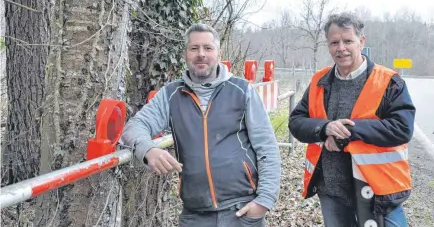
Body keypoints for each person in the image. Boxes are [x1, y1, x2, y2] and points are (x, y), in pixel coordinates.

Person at [120, 23, 281, 227]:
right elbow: (134, 126)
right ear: (186, 53)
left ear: (218, 53)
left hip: (241, 210)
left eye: (208, 48)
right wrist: (147, 149)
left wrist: (264, 201)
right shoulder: (171, 95)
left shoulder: (242, 91)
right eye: (194, 48)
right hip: (194, 215)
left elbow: (266, 147)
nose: (201, 54)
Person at [288, 12, 415, 227]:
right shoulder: (319, 81)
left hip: (378, 191)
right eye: (334, 42)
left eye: (348, 41)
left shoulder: (389, 82)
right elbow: (296, 121)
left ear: (361, 42)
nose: (341, 48)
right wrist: (325, 128)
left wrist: (347, 133)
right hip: (332, 191)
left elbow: (402, 128)